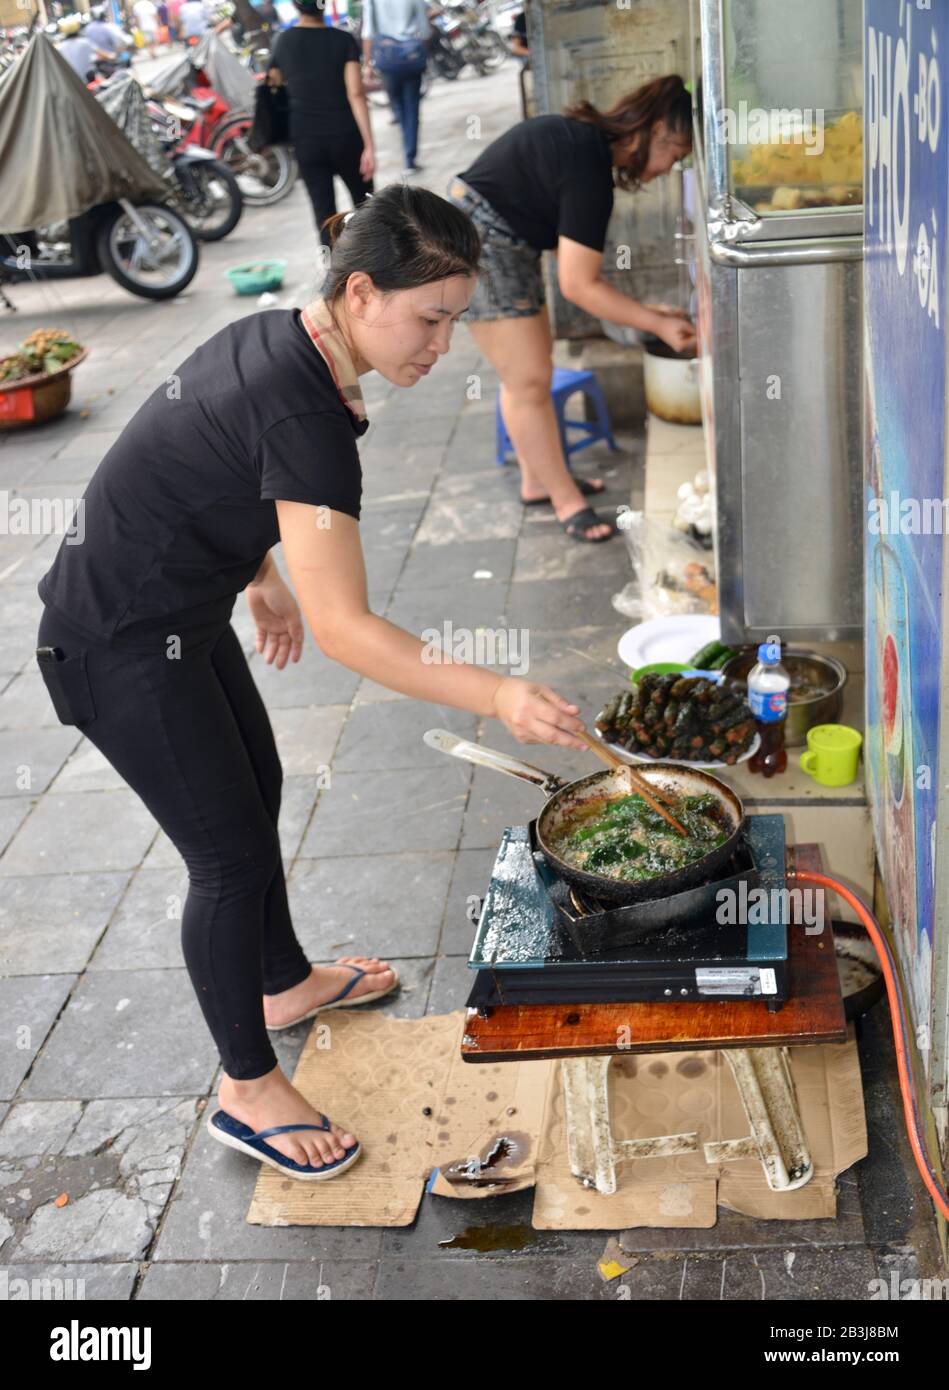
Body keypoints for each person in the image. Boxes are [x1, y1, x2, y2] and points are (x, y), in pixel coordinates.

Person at [34, 185, 592, 1183]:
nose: (442, 344)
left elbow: (192, 460)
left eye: (456, 320)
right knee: (228, 859)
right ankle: (246, 1089)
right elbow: (351, 632)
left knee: (260, 793)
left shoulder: (286, 338)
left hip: (176, 618)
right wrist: (499, 695)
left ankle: (283, 982)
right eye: (430, 319)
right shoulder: (306, 412)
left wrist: (261, 573)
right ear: (364, 291)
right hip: (114, 645)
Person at [447, 75, 697, 544]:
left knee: (528, 376)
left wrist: (646, 315)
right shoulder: (589, 167)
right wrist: (658, 323)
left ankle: (538, 480)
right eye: (676, 153)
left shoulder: (584, 147)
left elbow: (579, 276)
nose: (669, 169)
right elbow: (580, 285)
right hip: (480, 243)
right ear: (656, 128)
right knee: (529, 382)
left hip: (495, 238)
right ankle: (566, 501)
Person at [269, 0, 373, 249]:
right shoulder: (343, 40)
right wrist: (369, 146)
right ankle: (375, 269)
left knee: (324, 213)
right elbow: (356, 93)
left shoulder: (283, 41)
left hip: (306, 138)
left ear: (296, 6)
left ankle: (335, 275)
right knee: (367, 208)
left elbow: (273, 84)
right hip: (346, 136)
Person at [360, 0, 429, 178]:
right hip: (411, 57)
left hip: (387, 58)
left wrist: (367, 65)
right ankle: (410, 158)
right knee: (412, 107)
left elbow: (367, 32)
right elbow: (425, 30)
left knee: (397, 103)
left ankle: (406, 142)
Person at [56, 13, 111, 78]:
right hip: (88, 79)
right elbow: (105, 56)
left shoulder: (60, 47)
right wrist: (113, 56)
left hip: (70, 81)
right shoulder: (85, 42)